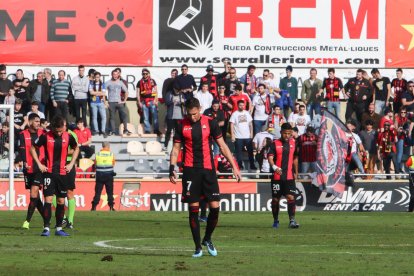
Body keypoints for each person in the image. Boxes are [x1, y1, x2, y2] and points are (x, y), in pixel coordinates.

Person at [169, 97, 241, 258]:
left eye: (194, 114)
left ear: (199, 109)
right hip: (190, 171)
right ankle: (197, 247)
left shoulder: (211, 122)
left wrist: (234, 167)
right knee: (193, 210)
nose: (192, 117)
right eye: (190, 114)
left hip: (208, 170)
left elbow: (222, 146)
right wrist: (171, 168)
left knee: (215, 208)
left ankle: (207, 239)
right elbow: (175, 149)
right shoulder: (181, 125)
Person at [30, 116, 79, 237]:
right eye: (57, 131)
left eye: (61, 130)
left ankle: (58, 229)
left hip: (63, 173)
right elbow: (33, 147)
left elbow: (76, 148)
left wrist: (71, 164)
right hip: (49, 172)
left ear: (64, 128)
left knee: (61, 200)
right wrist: (39, 164)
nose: (58, 133)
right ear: (53, 128)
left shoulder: (68, 136)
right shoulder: (46, 136)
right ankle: (46, 228)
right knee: (48, 199)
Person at [267, 123, 299, 229]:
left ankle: (292, 220)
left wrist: (296, 171)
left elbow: (295, 158)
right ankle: (275, 220)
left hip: (289, 176)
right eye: (285, 133)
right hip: (277, 176)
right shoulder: (274, 143)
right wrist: (274, 167)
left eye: (289, 133)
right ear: (281, 132)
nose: (287, 135)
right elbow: (270, 157)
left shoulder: (294, 143)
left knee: (291, 197)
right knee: (275, 200)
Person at [19, 113, 45, 229]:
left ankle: (27, 221)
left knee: (34, 192)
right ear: (29, 122)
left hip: (39, 167)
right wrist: (24, 162)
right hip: (28, 168)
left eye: (39, 121)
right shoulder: (23, 134)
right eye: (36, 121)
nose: (38, 123)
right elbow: (22, 149)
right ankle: (46, 219)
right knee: (36, 197)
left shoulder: (42, 134)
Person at [230, 100, 257, 170]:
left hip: (247, 136)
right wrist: (232, 135)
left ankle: (252, 165)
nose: (242, 106)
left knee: (250, 152)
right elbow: (231, 124)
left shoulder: (247, 113)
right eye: (240, 105)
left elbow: (251, 124)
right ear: (237, 105)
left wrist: (251, 134)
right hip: (238, 136)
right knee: (238, 152)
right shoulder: (234, 114)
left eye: (243, 105)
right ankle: (239, 165)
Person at [106, 69, 131, 136]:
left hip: (119, 102)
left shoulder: (120, 82)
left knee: (124, 115)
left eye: (116, 74)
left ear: (118, 75)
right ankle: (113, 131)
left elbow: (126, 91)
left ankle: (125, 130)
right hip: (111, 102)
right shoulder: (108, 82)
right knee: (112, 117)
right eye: (114, 74)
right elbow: (103, 92)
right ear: (112, 75)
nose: (115, 76)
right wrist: (105, 102)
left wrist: (124, 100)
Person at [92, 142, 116, 211]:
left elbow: (95, 164)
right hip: (109, 175)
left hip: (99, 175)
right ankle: (111, 207)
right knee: (110, 192)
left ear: (102, 146)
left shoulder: (98, 154)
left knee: (98, 192)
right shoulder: (111, 154)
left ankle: (94, 207)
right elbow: (113, 164)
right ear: (108, 146)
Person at [137, 68, 160, 135]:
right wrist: (139, 102)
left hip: (152, 101)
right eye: (143, 74)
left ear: (149, 74)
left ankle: (156, 130)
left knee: (155, 116)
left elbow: (155, 91)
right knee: (145, 118)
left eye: (146, 73)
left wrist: (156, 100)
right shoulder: (140, 82)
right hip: (144, 102)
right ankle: (147, 130)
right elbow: (138, 93)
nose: (145, 75)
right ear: (142, 74)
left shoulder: (152, 81)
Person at [164, 85, 186, 150]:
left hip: (179, 116)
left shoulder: (181, 94)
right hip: (171, 116)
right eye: (176, 90)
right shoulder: (169, 93)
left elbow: (185, 102)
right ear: (173, 89)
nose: (177, 91)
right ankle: (166, 145)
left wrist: (183, 102)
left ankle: (179, 145)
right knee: (169, 131)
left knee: (179, 131)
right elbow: (167, 102)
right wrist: (172, 102)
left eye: (178, 90)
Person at [89, 71, 107, 137]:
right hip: (93, 103)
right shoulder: (91, 83)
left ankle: (103, 130)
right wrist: (100, 92)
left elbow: (104, 94)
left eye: (98, 77)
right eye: (96, 77)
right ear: (94, 77)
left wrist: (95, 92)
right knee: (94, 117)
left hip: (101, 102)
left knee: (104, 117)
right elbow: (91, 93)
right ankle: (96, 130)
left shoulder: (103, 84)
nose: (97, 78)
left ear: (100, 77)